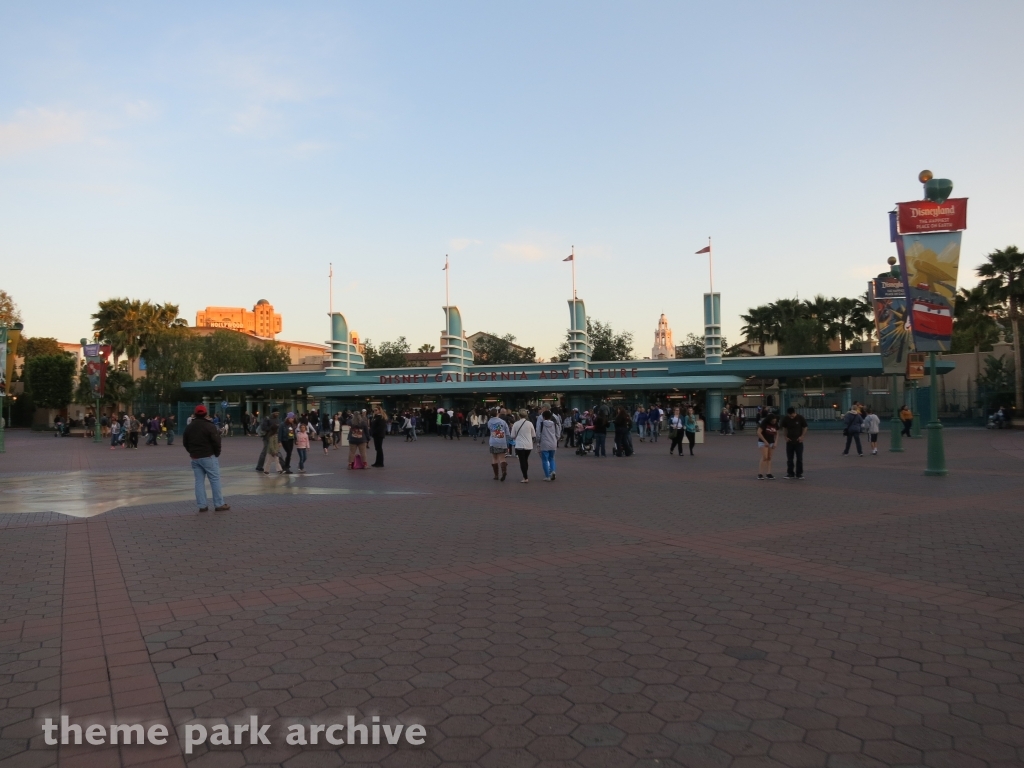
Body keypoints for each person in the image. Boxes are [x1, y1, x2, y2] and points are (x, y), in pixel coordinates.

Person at [181, 405, 229, 512]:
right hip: (208, 456)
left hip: (195, 457)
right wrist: (216, 453)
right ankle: (219, 504)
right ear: (206, 414)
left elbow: (185, 442)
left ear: (195, 414)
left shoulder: (189, 427)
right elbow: (217, 441)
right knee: (215, 480)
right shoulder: (210, 426)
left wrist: (192, 452)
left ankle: (202, 505)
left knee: (199, 481)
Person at [779, 406, 808, 479]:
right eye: (790, 416)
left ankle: (799, 473)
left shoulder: (800, 418)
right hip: (789, 441)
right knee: (789, 458)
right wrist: (785, 437)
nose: (791, 417)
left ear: (795, 413)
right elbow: (784, 428)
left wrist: (802, 436)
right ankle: (790, 473)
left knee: (799, 458)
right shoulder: (786, 419)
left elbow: (805, 427)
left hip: (798, 441)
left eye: (792, 416)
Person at [511, 409, 536, 483]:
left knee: (522, 461)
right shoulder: (530, 423)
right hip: (528, 444)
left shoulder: (516, 424)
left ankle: (525, 477)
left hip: (519, 444)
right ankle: (525, 475)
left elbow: (512, 435)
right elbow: (534, 434)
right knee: (525, 460)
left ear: (519, 415)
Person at [536, 409, 560, 481]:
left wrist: (538, 442)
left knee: (545, 460)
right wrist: (556, 439)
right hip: (553, 443)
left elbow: (538, 434)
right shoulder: (554, 424)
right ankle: (553, 471)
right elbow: (558, 434)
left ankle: (547, 476)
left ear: (543, 417)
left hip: (544, 443)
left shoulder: (542, 424)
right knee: (552, 458)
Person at [757, 412, 778, 480]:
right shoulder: (764, 423)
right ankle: (760, 473)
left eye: (775, 421)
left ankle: (768, 473)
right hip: (763, 442)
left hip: (771, 442)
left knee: (769, 457)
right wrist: (765, 441)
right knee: (765, 457)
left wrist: (775, 442)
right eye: (772, 421)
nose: (774, 422)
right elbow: (759, 432)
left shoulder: (775, 424)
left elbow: (777, 433)